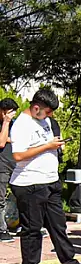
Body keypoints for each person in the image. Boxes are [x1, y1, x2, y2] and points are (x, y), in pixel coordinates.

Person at [8, 89, 81, 264]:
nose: (51, 116)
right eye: (48, 112)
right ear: (36, 107)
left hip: (50, 181)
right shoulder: (21, 125)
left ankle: (70, 263)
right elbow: (18, 156)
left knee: (58, 226)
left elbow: (46, 142)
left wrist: (55, 145)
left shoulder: (45, 121)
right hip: (29, 183)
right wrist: (47, 146)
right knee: (32, 228)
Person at [0, 97, 21, 242]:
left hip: (16, 164)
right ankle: (2, 230)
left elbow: (19, 140)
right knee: (0, 199)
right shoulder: (5, 123)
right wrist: (6, 123)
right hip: (2, 165)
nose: (11, 117)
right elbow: (1, 142)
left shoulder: (15, 124)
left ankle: (22, 225)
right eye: (8, 114)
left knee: (23, 196)